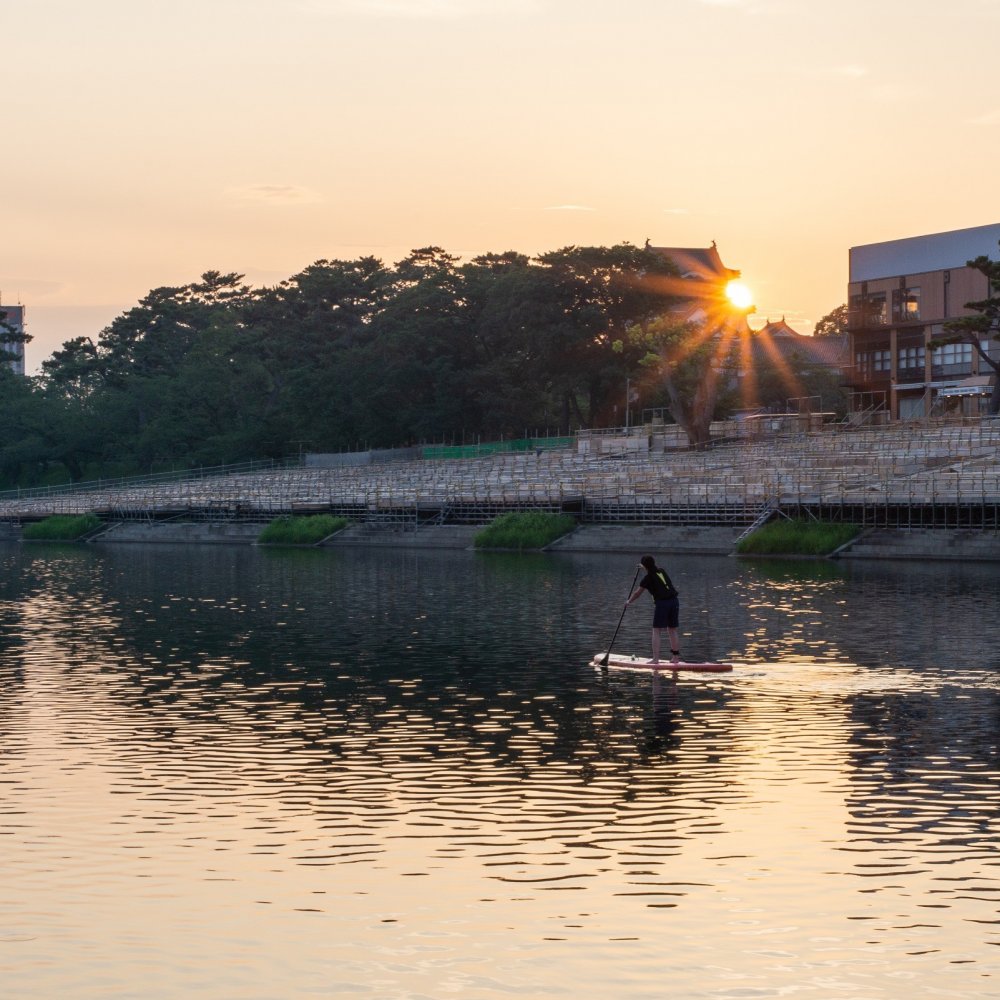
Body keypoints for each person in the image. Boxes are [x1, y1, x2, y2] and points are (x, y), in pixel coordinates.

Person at [625, 554, 680, 665]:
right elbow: (652, 568)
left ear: (645, 566)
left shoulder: (647, 578)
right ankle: (675, 658)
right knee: (672, 629)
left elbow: (637, 593)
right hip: (674, 601)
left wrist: (628, 602)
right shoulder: (661, 571)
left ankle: (655, 659)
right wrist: (644, 566)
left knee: (656, 630)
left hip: (663, 603)